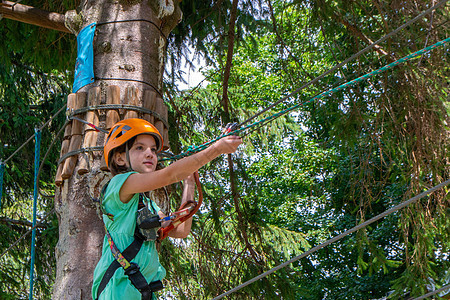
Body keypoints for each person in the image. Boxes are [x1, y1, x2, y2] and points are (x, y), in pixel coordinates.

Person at [91, 118, 241, 300]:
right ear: (120, 158)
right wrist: (216, 149)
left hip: (140, 291)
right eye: (140, 148)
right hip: (117, 292)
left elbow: (180, 230)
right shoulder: (118, 186)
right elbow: (170, 174)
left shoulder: (146, 203)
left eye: (153, 150)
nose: (150, 154)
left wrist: (189, 184)